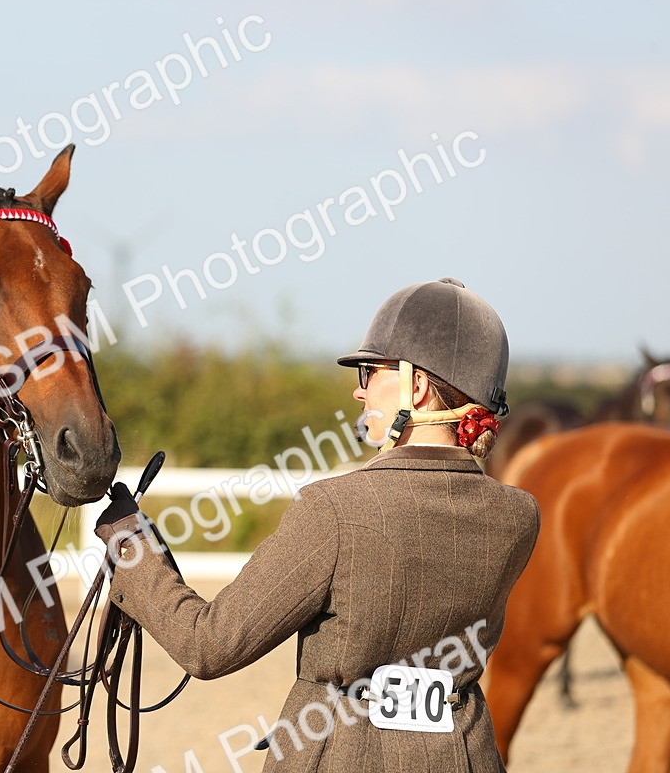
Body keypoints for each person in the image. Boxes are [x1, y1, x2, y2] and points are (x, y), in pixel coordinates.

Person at [96, 277, 540, 772]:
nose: (359, 390)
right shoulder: (519, 516)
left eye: (371, 372)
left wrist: (130, 544)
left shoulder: (334, 510)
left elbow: (209, 646)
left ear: (416, 385)